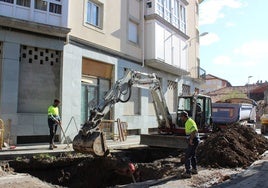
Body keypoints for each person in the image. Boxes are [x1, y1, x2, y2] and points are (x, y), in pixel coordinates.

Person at [180, 111, 200, 178]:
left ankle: (188, 172)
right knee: (192, 155)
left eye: (181, 117)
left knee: (187, 156)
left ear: (184, 116)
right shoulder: (189, 121)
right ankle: (194, 169)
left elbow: (194, 131)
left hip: (193, 140)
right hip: (195, 139)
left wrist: (191, 140)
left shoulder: (189, 122)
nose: (181, 118)